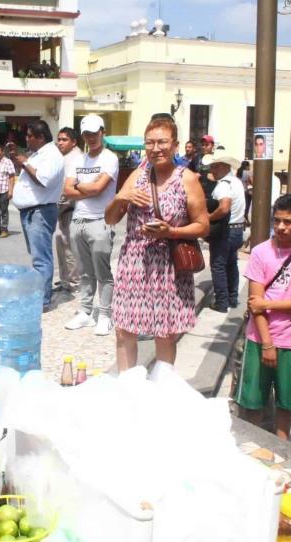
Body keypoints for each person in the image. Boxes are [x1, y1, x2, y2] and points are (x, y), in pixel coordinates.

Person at [106, 117, 209, 370]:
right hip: (135, 261)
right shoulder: (137, 175)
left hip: (169, 265)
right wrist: (121, 197)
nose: (155, 148)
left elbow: (203, 226)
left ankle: (163, 389)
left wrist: (170, 231)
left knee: (165, 333)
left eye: (162, 142)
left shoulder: (187, 179)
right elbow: (110, 218)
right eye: (149, 143)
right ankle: (128, 388)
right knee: (124, 329)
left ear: (174, 145)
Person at [235, 194, 291, 440]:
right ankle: (252, 446)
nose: (281, 227)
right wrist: (267, 343)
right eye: (277, 221)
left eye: (288, 222)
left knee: (286, 404)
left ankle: (282, 447)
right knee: (253, 403)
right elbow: (256, 304)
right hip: (259, 338)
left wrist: (269, 302)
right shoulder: (260, 252)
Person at [62, 114, 120, 336]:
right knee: (85, 272)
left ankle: (105, 314)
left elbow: (100, 189)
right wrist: (89, 186)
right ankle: (86, 312)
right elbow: (67, 191)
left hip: (100, 220)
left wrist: (80, 185)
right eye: (87, 134)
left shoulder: (109, 158)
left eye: (95, 133)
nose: (92, 138)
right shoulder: (78, 159)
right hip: (78, 220)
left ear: (102, 132)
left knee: (102, 271)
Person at [12, 120, 65, 310]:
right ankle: (38, 295)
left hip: (40, 212)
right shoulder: (38, 154)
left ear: (41, 137)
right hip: (31, 211)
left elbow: (43, 180)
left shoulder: (52, 155)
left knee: (42, 258)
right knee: (37, 257)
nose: (26, 139)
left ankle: (42, 300)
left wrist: (24, 162)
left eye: (29, 135)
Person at [204, 153, 246, 313]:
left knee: (218, 266)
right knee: (231, 264)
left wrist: (209, 217)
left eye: (215, 166)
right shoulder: (236, 182)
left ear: (224, 167)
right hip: (236, 229)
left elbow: (224, 207)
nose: (212, 170)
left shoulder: (224, 185)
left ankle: (221, 302)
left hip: (226, 230)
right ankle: (232, 298)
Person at [54, 127, 83, 292]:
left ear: (74, 142)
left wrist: (55, 207)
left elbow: (68, 189)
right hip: (63, 209)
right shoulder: (65, 157)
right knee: (61, 243)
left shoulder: (76, 159)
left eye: (64, 140)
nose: (60, 143)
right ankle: (65, 280)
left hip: (71, 209)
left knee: (69, 247)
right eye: (59, 139)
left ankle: (73, 282)